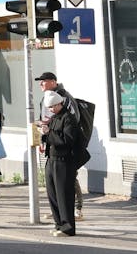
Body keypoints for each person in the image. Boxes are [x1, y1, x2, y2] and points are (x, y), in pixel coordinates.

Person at [37, 71, 84, 217]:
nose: (40, 84)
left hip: (65, 146)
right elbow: (45, 117)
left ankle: (76, 208)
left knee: (69, 177)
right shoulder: (45, 98)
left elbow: (70, 121)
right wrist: (43, 137)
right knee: (54, 180)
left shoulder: (64, 98)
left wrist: (51, 130)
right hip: (51, 142)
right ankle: (59, 210)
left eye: (43, 81)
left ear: (52, 82)